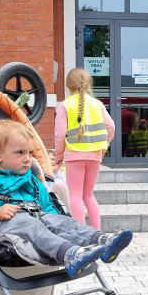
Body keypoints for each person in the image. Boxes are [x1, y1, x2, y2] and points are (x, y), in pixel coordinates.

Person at [0, 120, 132, 277]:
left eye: (30, 153)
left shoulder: (32, 179)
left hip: (37, 214)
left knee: (64, 222)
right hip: (7, 224)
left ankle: (102, 240)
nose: (28, 159)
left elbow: (46, 204)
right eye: (20, 153)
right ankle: (69, 254)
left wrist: (55, 220)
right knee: (30, 224)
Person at [54, 68, 114, 228]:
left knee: (75, 195)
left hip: (74, 156)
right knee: (88, 195)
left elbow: (60, 134)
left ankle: (82, 233)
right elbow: (111, 126)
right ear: (88, 85)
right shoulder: (98, 104)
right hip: (94, 155)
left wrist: (59, 155)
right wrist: (104, 146)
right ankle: (97, 233)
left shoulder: (65, 105)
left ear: (68, 86)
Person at [46, 148, 72, 213]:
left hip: (65, 200)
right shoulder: (41, 174)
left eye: (53, 159)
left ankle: (75, 212)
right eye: (47, 160)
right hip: (49, 200)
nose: (51, 162)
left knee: (58, 183)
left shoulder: (64, 172)